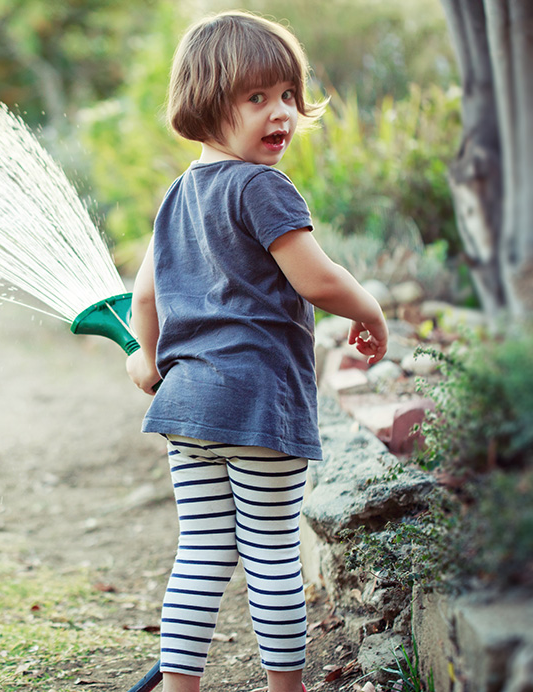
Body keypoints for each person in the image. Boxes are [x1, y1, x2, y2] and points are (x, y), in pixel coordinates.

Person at [125, 11, 388, 692]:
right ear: (209, 104)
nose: (281, 114)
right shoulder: (262, 187)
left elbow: (145, 297)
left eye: (287, 96)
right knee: (272, 552)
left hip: (187, 406)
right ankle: (285, 688)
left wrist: (144, 359)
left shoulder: (178, 193)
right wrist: (369, 307)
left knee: (202, 553)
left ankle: (181, 688)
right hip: (258, 402)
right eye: (257, 98)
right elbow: (317, 278)